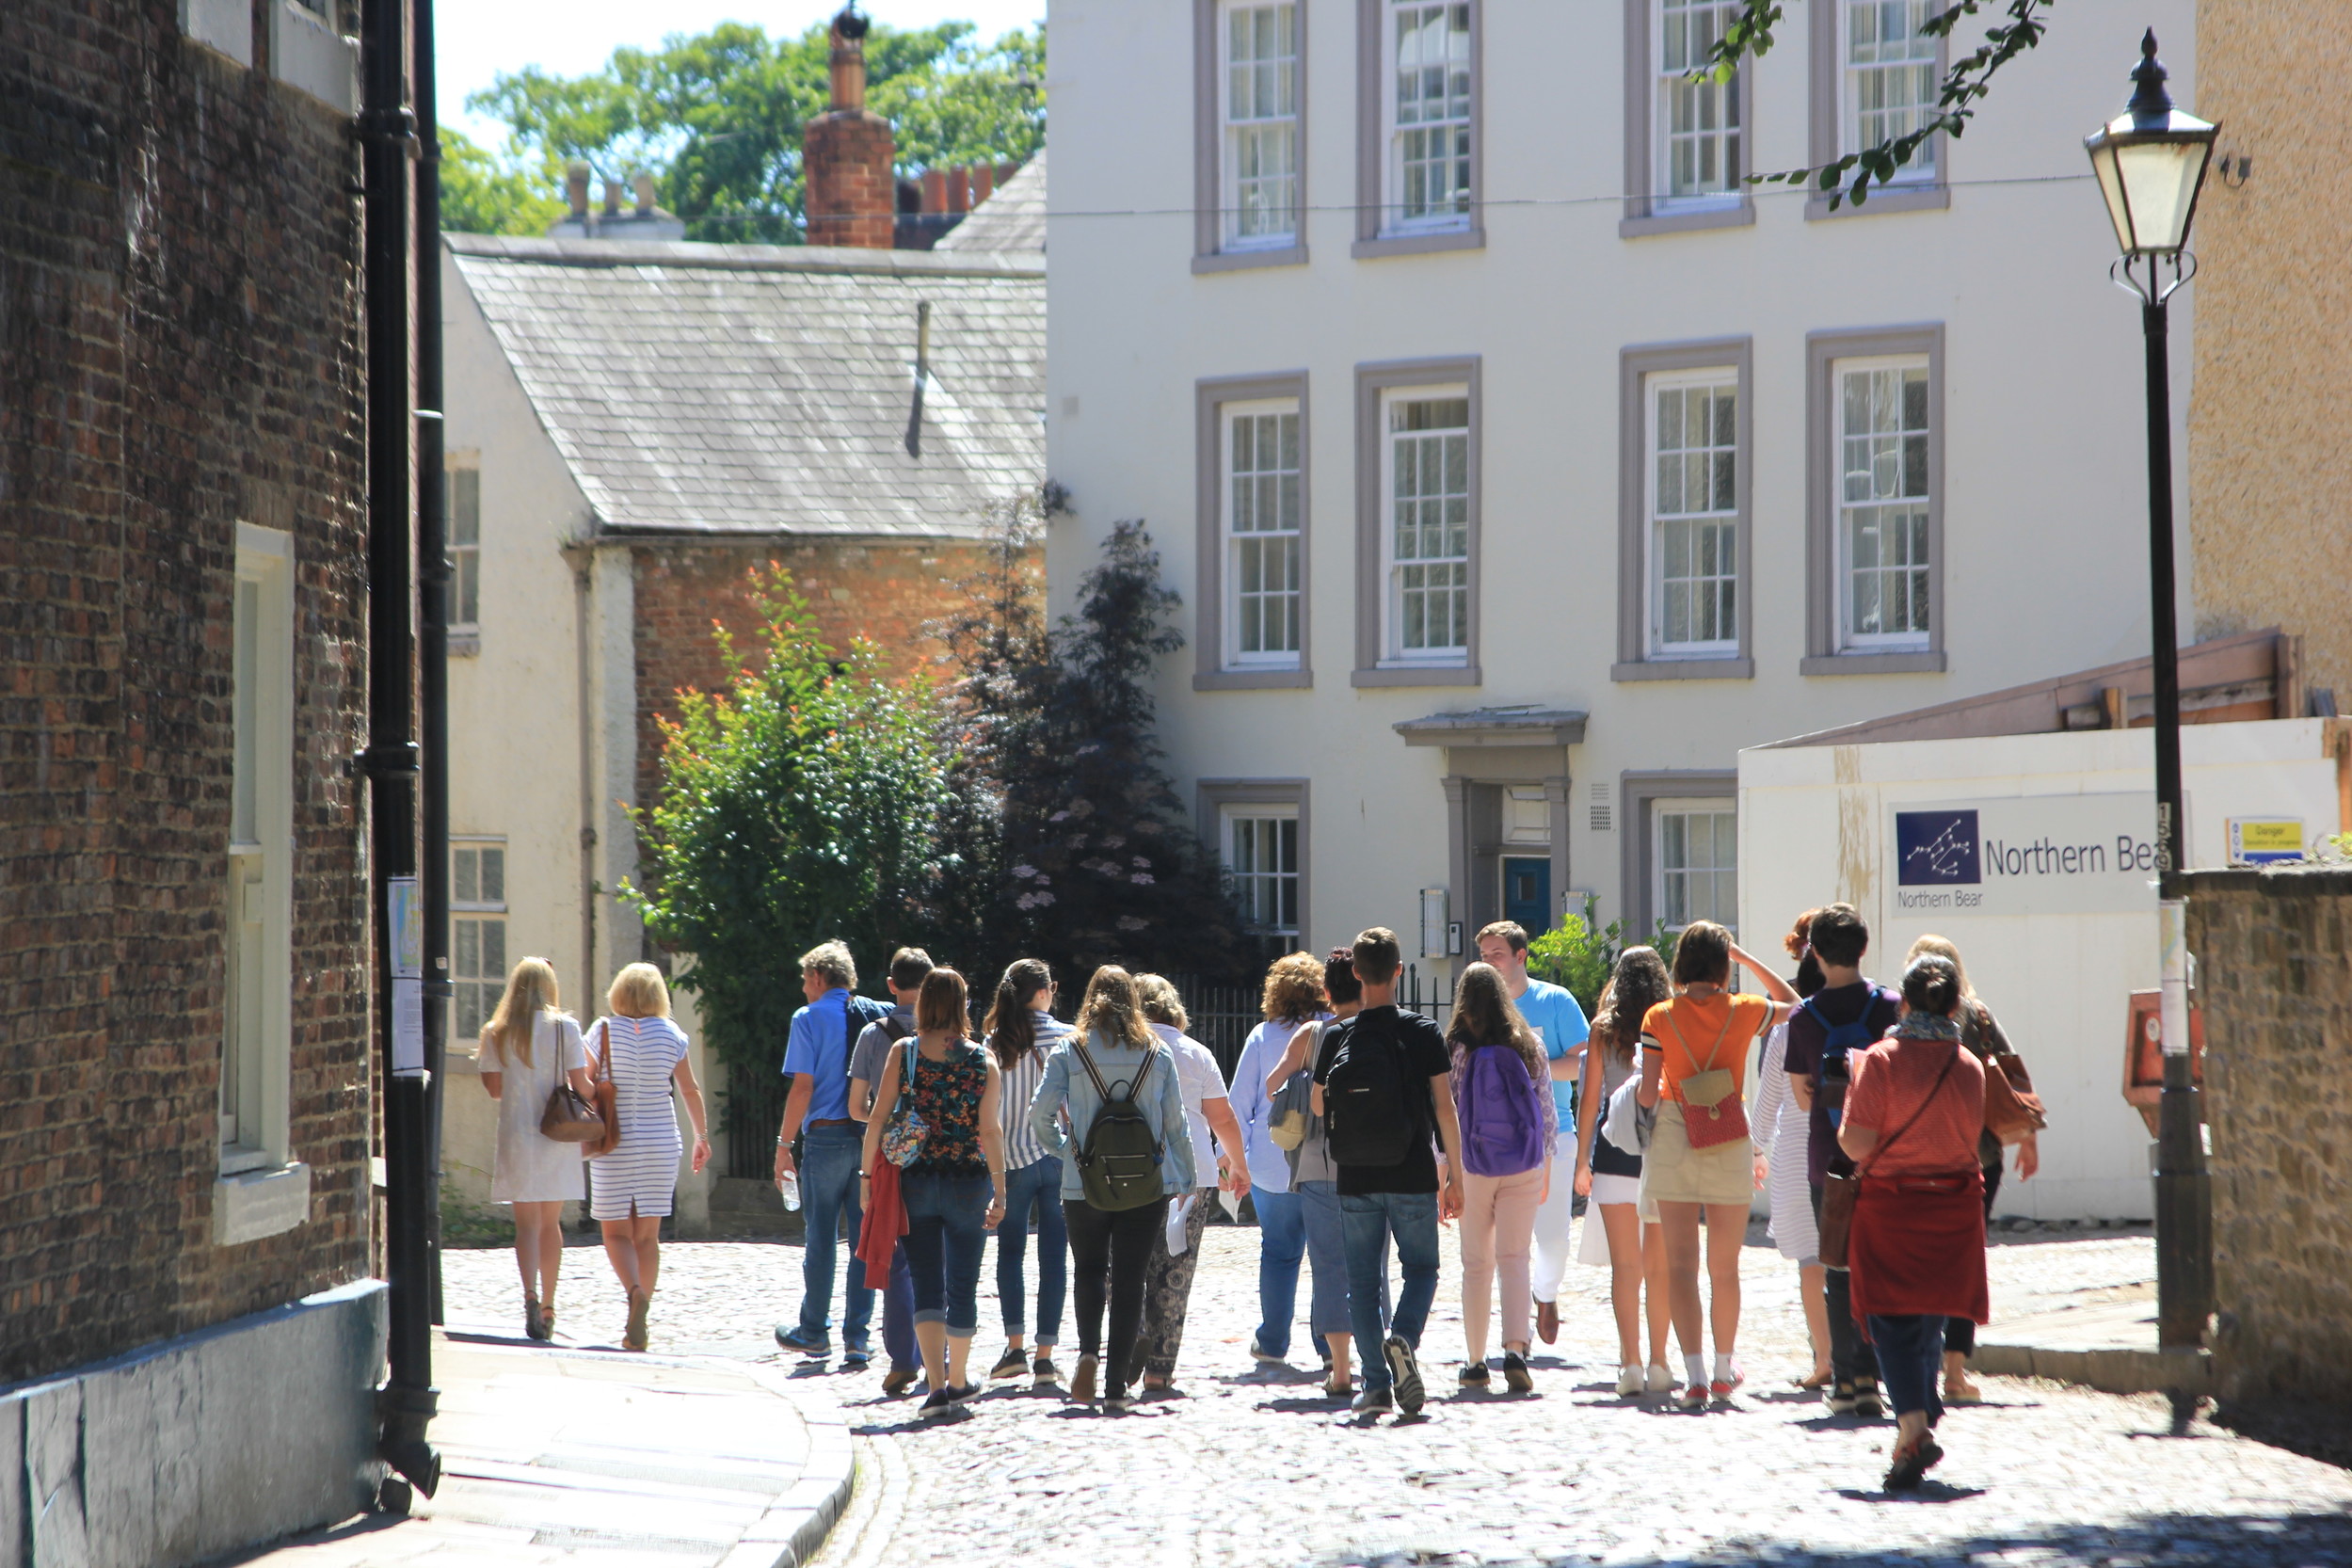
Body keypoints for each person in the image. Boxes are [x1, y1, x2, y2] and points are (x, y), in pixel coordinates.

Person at [1840, 953, 1998, 1491]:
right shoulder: (1970, 1067)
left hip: (1892, 1205)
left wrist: (1851, 1089)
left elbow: (1856, 1142)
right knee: (1929, 1315)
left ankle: (1912, 1428)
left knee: (1889, 1319)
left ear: (1903, 1002)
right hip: (1952, 1207)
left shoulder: (1880, 1061)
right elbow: (1965, 1137)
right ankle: (1919, 1418)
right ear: (1956, 1005)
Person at [1636, 920, 1797, 1408]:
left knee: (1680, 1267)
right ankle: (1726, 1368)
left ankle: (1696, 1375)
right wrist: (1747, 961)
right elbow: (1799, 1007)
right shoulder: (1746, 1010)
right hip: (1728, 1134)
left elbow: (1646, 1092)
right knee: (1725, 1267)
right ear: (1723, 964)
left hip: (1674, 1130)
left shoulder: (1659, 1016)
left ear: (1681, 963)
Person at [1311, 927, 1465, 1418]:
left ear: (1355, 974)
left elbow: (1318, 1107)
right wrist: (1454, 1174)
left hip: (1354, 1173)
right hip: (1412, 1170)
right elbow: (1445, 1109)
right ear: (1399, 971)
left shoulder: (1337, 1035)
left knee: (1362, 1281)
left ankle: (1375, 1385)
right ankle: (1403, 1338)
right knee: (1422, 1268)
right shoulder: (1421, 1032)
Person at [1028, 967, 1196, 1414]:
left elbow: (1038, 1115)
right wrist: (1186, 1178)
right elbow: (1176, 1124)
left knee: (1087, 1269)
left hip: (1083, 1181)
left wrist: (1066, 1152)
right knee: (1129, 1279)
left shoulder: (1071, 1050)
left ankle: (1087, 1350)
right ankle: (1117, 1386)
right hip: (1145, 1183)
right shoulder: (1157, 1054)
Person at [859, 968, 1007, 1419]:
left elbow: (879, 1118)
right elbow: (990, 1130)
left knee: (926, 1283)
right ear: (964, 1005)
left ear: (924, 1003)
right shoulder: (984, 1061)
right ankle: (960, 1381)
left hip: (915, 1182)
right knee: (962, 1285)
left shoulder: (904, 1053)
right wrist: (1000, 1193)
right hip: (968, 1182)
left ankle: (936, 1386)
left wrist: (866, 1180)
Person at [1780, 903, 1904, 1417]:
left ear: (1815, 954)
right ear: (1864, 948)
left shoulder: (1802, 1018)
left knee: (1837, 1266)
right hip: (1884, 1155)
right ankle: (1877, 1377)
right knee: (1879, 1266)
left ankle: (1847, 1380)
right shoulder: (1889, 1006)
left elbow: (1806, 1099)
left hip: (1828, 1157)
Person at [1907, 933, 2041, 1406]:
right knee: (1964, 1259)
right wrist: (2027, 1138)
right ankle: (1955, 1372)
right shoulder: (1979, 1017)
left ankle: (1912, 1367)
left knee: (1917, 1258)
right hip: (1978, 1157)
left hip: (1914, 1159)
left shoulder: (1898, 1020)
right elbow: (2013, 1075)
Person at [1264, 950, 1384, 1398]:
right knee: (1373, 1266)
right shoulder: (1384, 1029)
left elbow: (1274, 1084)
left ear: (1328, 992)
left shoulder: (1312, 1034)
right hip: (1374, 1162)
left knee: (1330, 1266)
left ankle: (1339, 1368)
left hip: (1319, 1164)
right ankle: (1380, 1361)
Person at [1472, 920, 1591, 1347]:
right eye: (1484, 955)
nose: (1489, 962)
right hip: (1494, 1140)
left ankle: (1545, 1293)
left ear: (1521, 956)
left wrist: (1525, 1071)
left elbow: (1584, 1063)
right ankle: (1512, 1333)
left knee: (1554, 1238)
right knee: (1503, 1244)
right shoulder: (1479, 1008)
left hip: (1552, 1133)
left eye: (1497, 954)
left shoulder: (1554, 1001)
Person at [1133, 974, 1252, 1393]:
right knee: (1175, 1270)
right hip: (1192, 1175)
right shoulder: (1195, 1054)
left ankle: (1135, 1333)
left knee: (1129, 1263)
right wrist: (1239, 1166)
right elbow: (1223, 1119)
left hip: (1133, 1172)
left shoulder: (1123, 1050)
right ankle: (1161, 1368)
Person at [775, 940, 889, 1363]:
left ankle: (814, 1331)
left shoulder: (807, 1017)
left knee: (821, 1238)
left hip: (824, 1140)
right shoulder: (876, 1013)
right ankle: (858, 1337)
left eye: (806, 979)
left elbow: (802, 1087)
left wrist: (784, 1146)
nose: (804, 988)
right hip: (868, 1141)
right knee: (864, 1240)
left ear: (819, 977)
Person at [587, 962, 710, 1352]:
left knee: (615, 1231)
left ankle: (635, 1292)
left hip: (615, 1139)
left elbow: (586, 1083)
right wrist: (701, 1137)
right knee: (648, 1236)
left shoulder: (602, 1030)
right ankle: (643, 1314)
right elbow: (689, 1090)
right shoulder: (673, 1034)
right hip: (661, 1139)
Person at [474, 955, 597, 1343]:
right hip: (556, 1134)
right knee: (550, 1225)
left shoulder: (497, 1031)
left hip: (517, 1134)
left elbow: (494, 1089)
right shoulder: (566, 1027)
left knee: (525, 1226)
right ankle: (548, 1303)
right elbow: (582, 1087)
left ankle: (527, 1294)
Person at [1446, 962, 1555, 1394]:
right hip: (1522, 1164)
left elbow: (1448, 1112)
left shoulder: (1457, 1047)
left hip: (1473, 1166)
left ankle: (1475, 1361)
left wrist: (1446, 1173)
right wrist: (1544, 1163)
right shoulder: (1529, 1044)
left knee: (1476, 1264)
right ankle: (1514, 1350)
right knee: (1515, 1259)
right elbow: (1545, 1109)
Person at [1572, 949, 1675, 1397]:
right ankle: (1659, 1362)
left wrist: (1581, 1161)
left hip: (1614, 1151)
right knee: (1660, 1267)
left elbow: (1589, 1101)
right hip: (1662, 1151)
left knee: (1625, 1268)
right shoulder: (1671, 1021)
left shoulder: (1603, 1031)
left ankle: (1629, 1363)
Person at [1227, 952, 1328, 1369]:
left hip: (1272, 1160)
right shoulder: (1330, 1030)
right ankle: (1329, 1345)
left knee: (1279, 1252)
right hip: (1323, 1159)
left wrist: (1233, 1161)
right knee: (1328, 1255)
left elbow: (1239, 1103)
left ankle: (1272, 1340)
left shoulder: (1262, 1036)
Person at [979, 959, 1074, 1391]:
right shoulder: (1069, 1038)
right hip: (1057, 1157)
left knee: (1010, 1254)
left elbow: (987, 1113)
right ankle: (1046, 1356)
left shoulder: (992, 1043)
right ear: (1045, 991)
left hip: (1009, 1162)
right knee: (1055, 1258)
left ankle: (1014, 1347)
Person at [1751, 911, 1835, 1389]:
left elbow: (1766, 1106)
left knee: (1810, 1262)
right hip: (1849, 1145)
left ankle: (1824, 1358)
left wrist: (1754, 1151)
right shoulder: (1869, 1016)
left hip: (1796, 1152)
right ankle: (1861, 1355)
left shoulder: (1788, 1029)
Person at [846, 947, 932, 1396]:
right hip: (942, 1155)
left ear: (892, 986)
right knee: (938, 1254)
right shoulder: (949, 1032)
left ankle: (903, 1359)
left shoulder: (873, 1035)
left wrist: (890, 1120)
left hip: (892, 1157)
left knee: (897, 1255)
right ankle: (941, 1354)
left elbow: (856, 1108)